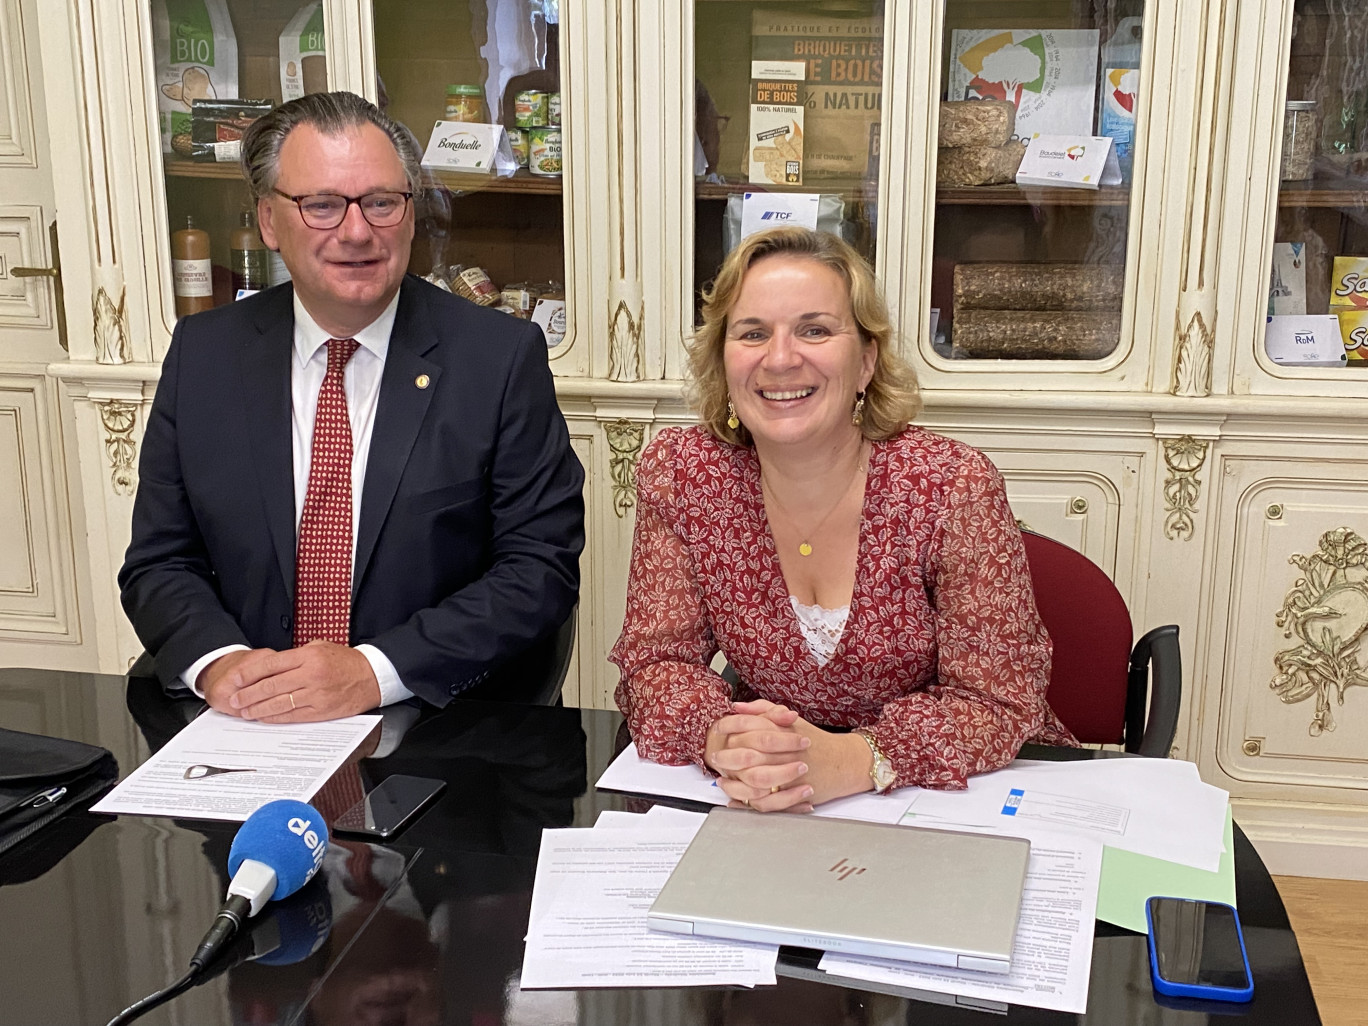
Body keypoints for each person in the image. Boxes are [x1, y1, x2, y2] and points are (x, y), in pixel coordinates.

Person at [120, 90, 584, 722]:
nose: (357, 231)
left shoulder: (497, 360)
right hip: (242, 722)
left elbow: (539, 570)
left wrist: (372, 671)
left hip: (428, 722)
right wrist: (219, 662)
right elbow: (160, 560)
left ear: (412, 213)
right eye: (322, 206)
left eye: (381, 202)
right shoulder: (204, 356)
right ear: (268, 221)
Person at [610, 227, 1074, 812]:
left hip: (954, 800)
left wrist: (855, 761)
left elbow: (998, 701)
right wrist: (723, 739)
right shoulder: (684, 473)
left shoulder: (950, 484)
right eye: (753, 333)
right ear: (722, 362)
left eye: (815, 330)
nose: (780, 358)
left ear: (866, 362)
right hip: (770, 802)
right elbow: (655, 663)